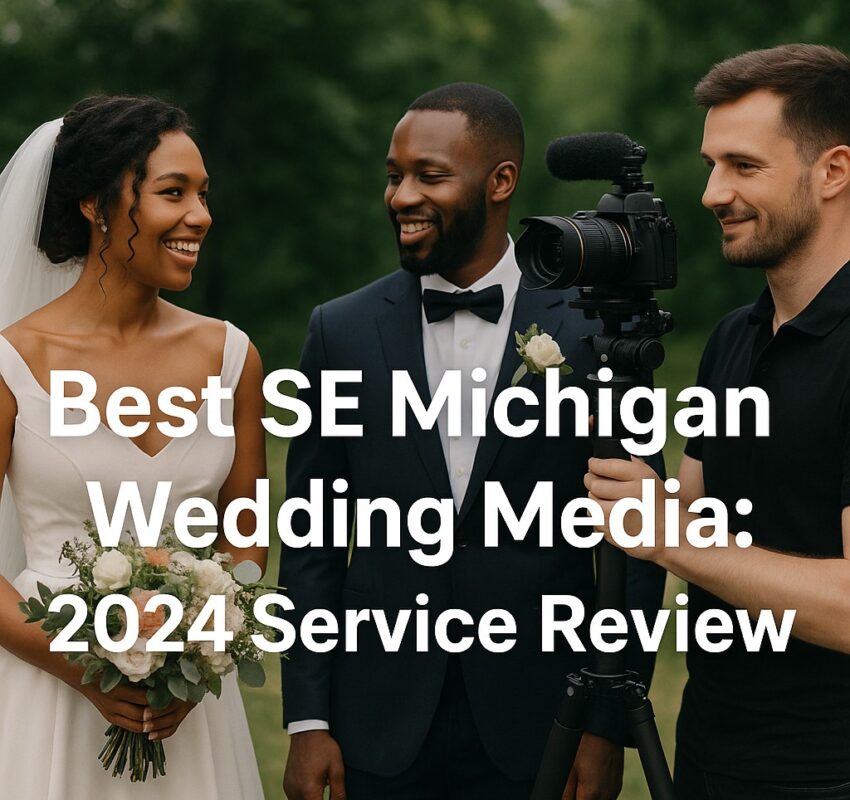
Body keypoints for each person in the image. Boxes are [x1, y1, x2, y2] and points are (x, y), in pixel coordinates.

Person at [280, 82, 664, 800]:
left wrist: (606, 725)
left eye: (430, 175)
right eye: (394, 176)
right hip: (378, 717)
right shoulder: (339, 331)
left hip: (544, 718)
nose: (402, 197)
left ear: (501, 181)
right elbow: (313, 539)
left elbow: (636, 546)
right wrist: (308, 718)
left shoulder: (596, 331)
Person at [586, 44, 850, 798]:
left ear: (833, 171)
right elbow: (697, 520)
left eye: (744, 166)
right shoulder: (737, 336)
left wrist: (670, 535)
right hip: (707, 751)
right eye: (711, 165)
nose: (711, 193)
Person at [0, 96, 267, 798]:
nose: (200, 215)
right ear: (95, 205)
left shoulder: (233, 357)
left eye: (203, 194)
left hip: (188, 712)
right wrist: (82, 669)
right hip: (47, 690)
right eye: (172, 192)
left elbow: (244, 540)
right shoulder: (13, 364)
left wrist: (200, 649)